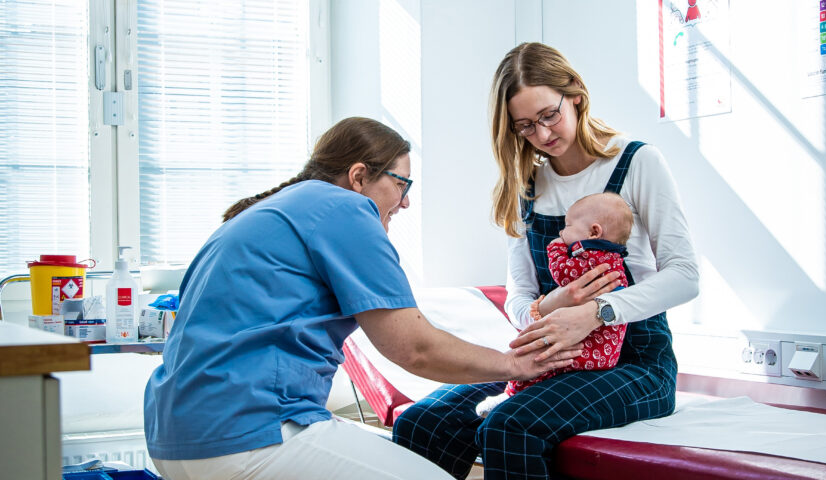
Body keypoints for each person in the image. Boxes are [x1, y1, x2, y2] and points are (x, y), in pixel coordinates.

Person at [143, 117, 576, 480]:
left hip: (173, 437)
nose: (405, 203)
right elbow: (415, 348)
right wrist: (514, 364)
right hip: (249, 433)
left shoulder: (264, 213)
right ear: (358, 176)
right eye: (402, 184)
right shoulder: (343, 208)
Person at [392, 42, 699, 480]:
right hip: (547, 361)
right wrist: (549, 308)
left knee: (509, 426)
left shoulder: (637, 162)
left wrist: (597, 313)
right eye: (524, 126)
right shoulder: (526, 187)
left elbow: (685, 276)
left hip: (636, 364)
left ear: (574, 94)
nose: (541, 135)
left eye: (548, 115)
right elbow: (519, 297)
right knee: (420, 422)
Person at [475, 192, 633, 418]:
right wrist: (548, 305)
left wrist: (556, 248)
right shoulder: (612, 258)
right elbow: (520, 293)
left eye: (567, 226)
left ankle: (511, 394)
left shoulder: (590, 258)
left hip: (588, 349)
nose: (561, 232)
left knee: (539, 362)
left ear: (594, 232)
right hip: (604, 351)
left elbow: (564, 275)